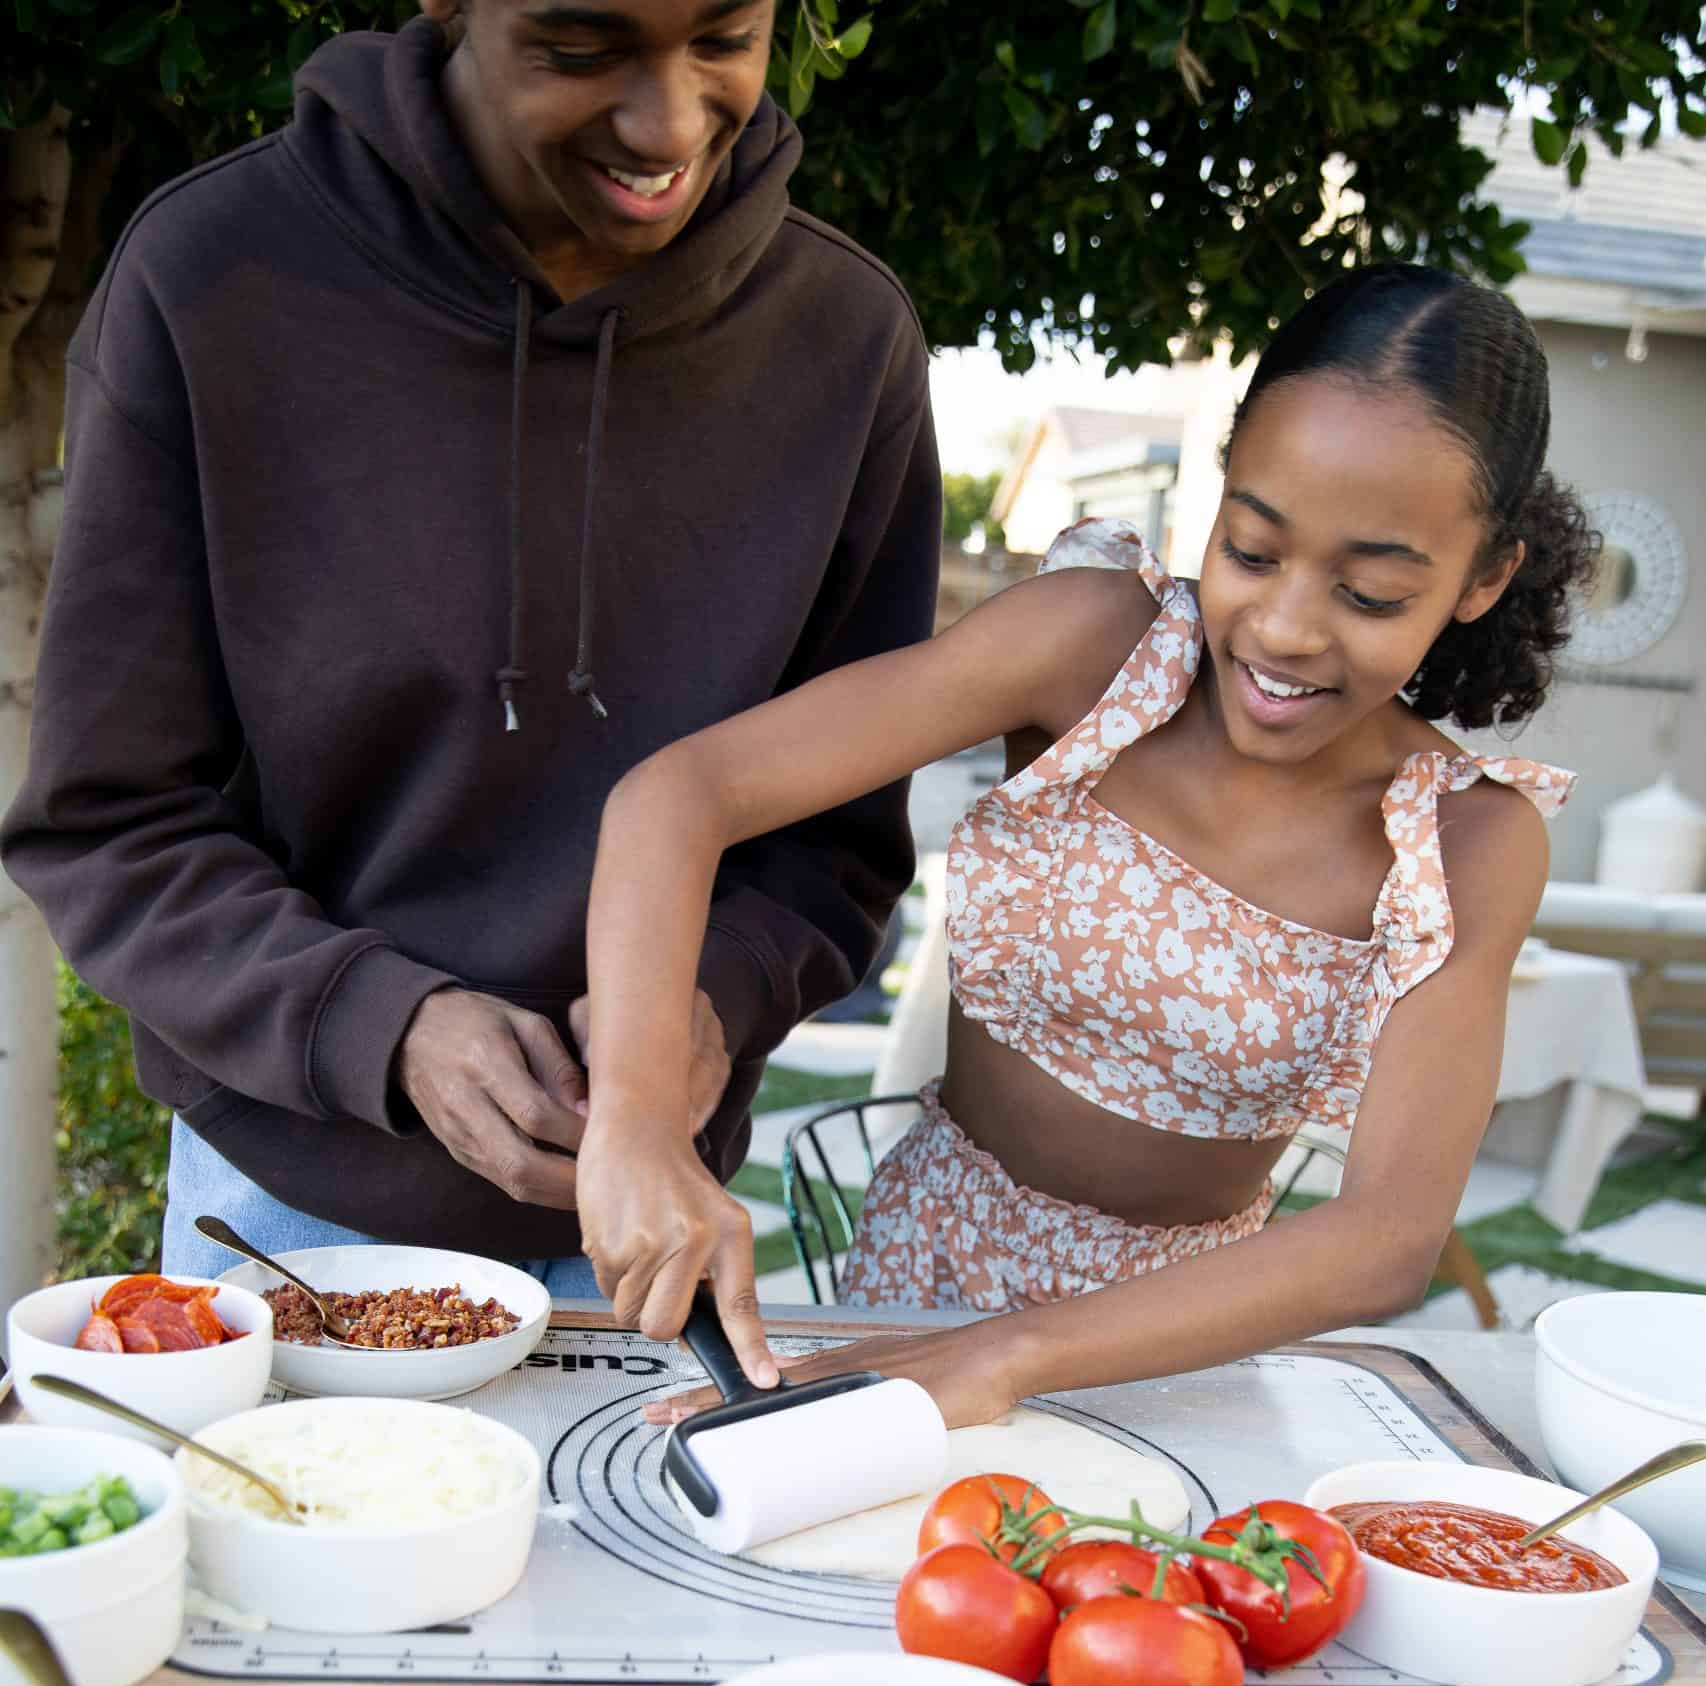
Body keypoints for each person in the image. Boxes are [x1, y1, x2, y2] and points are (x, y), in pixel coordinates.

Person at [0, 1, 939, 1294]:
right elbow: (106, 822)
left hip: (656, 1222)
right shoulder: (211, 277)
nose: (668, 120)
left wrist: (710, 998)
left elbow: (836, 841)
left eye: (723, 37)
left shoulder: (848, 339)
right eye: (580, 47)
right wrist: (386, 1030)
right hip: (287, 1213)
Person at [570, 262, 1596, 1420]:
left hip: (1182, 1349)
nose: (1284, 628)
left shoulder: (1461, 838)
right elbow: (680, 793)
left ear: (1482, 577)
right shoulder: (1093, 653)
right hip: (920, 1284)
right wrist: (639, 1114)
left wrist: (1012, 1354)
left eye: (1367, 597)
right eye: (1250, 551)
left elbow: (1384, 1239)